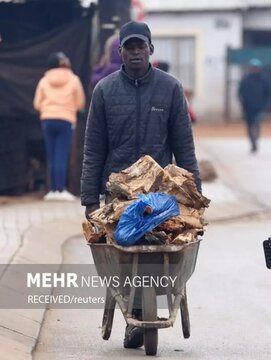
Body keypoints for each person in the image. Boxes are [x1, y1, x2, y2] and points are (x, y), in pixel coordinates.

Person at [80, 21, 201, 349]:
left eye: (140, 46)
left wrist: (195, 197)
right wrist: (90, 198)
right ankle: (135, 311)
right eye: (129, 47)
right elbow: (93, 148)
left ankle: (145, 309)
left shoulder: (170, 88)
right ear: (120, 52)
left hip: (159, 195)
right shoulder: (105, 90)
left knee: (158, 253)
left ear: (150, 49)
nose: (135, 52)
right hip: (119, 194)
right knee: (124, 257)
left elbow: (184, 146)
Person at [34, 52, 85, 201]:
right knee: (61, 155)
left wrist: (47, 109)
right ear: (64, 63)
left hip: (47, 120)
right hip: (65, 120)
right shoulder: (74, 79)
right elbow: (80, 102)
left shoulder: (44, 80)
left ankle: (52, 191)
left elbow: (37, 103)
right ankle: (61, 190)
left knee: (51, 155)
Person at [238, 58, 270, 153]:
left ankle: (255, 140)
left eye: (256, 68)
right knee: (249, 125)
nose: (254, 69)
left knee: (256, 124)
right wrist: (243, 103)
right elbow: (240, 92)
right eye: (253, 68)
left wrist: (263, 104)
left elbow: (267, 93)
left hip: (258, 107)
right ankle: (252, 142)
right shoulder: (246, 80)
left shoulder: (263, 80)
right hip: (247, 107)